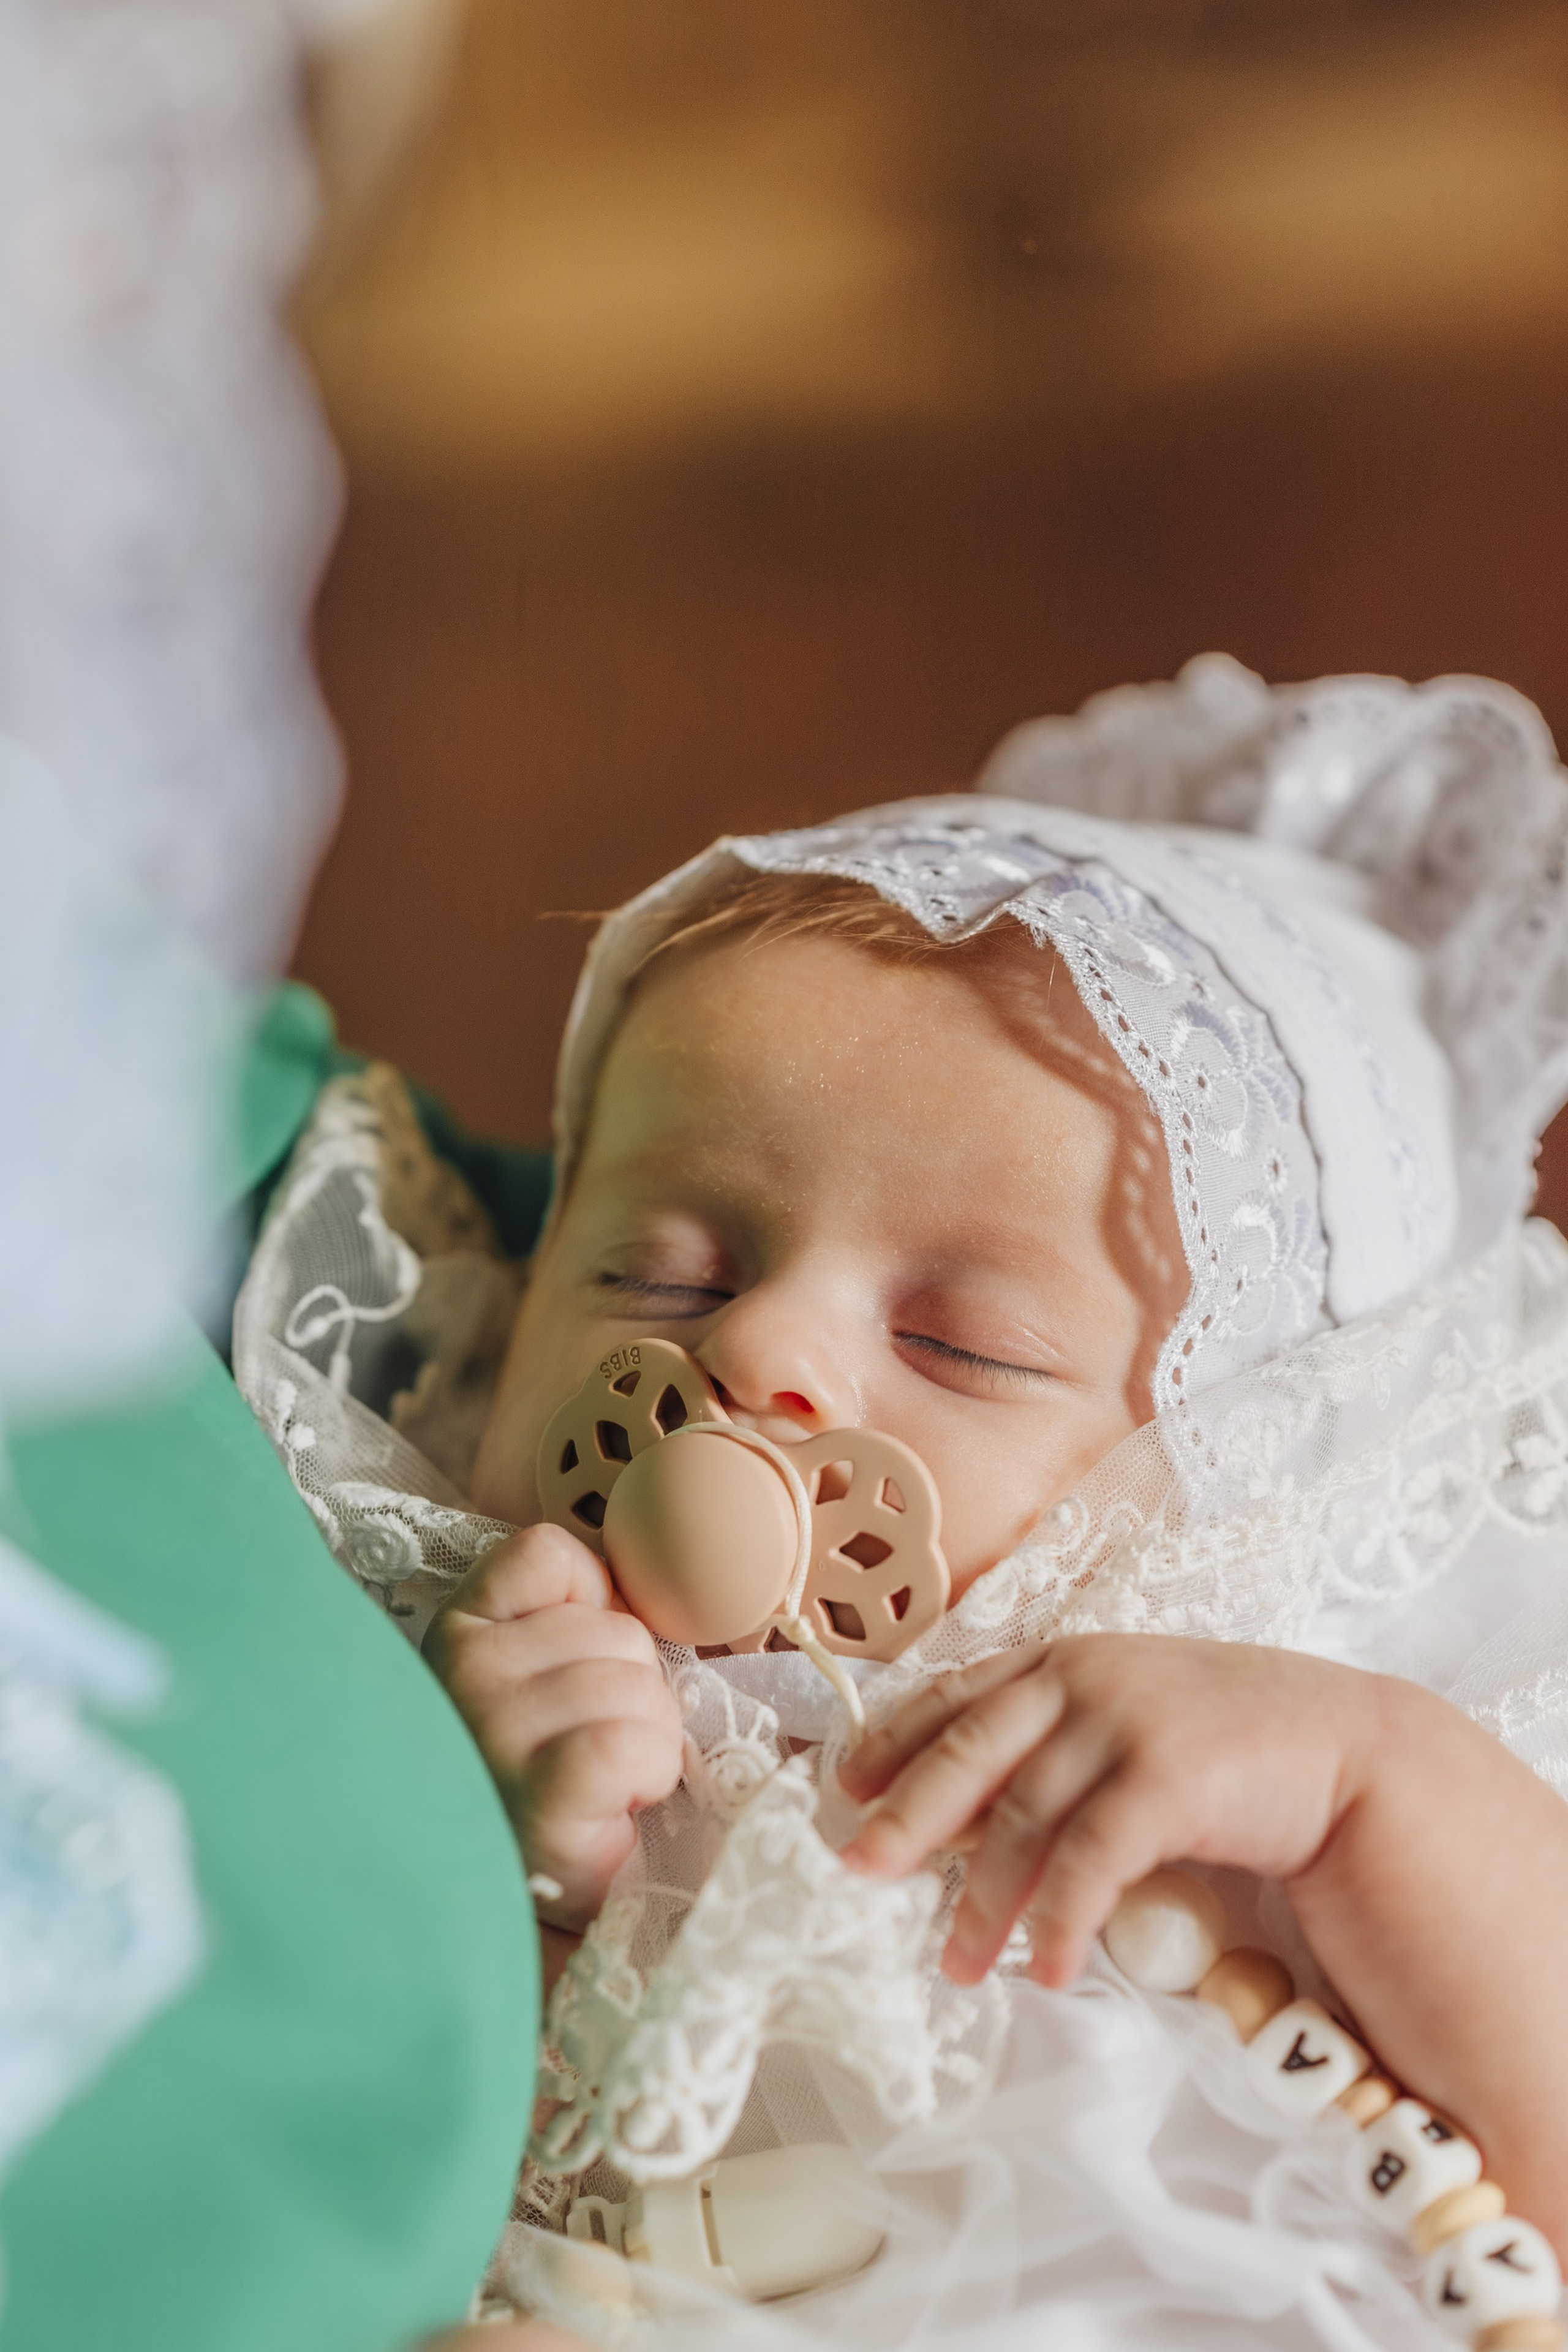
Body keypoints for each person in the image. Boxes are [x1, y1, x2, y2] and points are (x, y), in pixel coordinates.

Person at [238, 658, 1568, 2349]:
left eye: (961, 1344)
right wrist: (509, 1860)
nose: (757, 1350)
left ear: (1266, 1461)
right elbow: (369, 2117)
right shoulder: (467, 1640)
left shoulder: (1315, 1759)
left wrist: (1373, 1789)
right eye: (659, 1275)